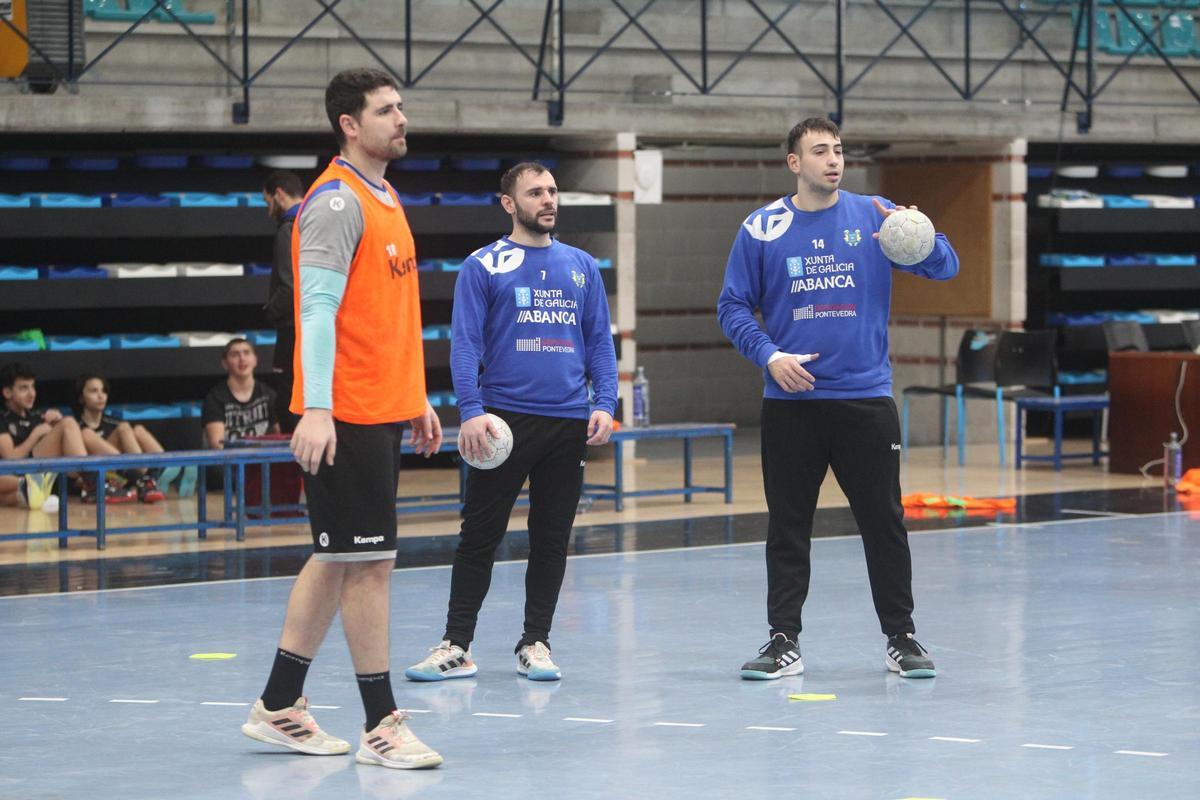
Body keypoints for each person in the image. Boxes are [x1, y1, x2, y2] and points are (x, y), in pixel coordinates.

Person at [239, 67, 444, 770]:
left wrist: (415, 396)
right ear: (349, 125)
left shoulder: (384, 195)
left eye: (401, 106)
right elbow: (318, 310)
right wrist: (320, 407)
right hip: (346, 411)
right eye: (386, 110)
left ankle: (278, 705)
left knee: (337, 557)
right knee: (369, 564)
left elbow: (386, 316)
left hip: (379, 407)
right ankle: (381, 725)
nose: (401, 118)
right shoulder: (334, 202)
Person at [717, 118, 959, 681]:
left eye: (839, 150)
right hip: (791, 402)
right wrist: (769, 356)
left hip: (865, 399)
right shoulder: (762, 228)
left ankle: (901, 638)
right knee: (788, 525)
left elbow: (946, 267)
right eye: (820, 151)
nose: (833, 160)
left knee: (884, 522)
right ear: (794, 163)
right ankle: (783, 641)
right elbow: (732, 306)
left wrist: (920, 236)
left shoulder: (876, 214)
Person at [405, 162, 617, 684]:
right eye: (535, 192)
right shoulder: (483, 265)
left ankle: (535, 642)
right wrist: (471, 411)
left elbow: (599, 342)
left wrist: (605, 402)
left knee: (551, 538)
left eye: (553, 191)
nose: (548, 200)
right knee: (479, 536)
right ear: (509, 203)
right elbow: (465, 344)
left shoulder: (582, 266)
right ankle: (456, 645)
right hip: (502, 423)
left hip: (567, 421)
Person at [0, 361, 88, 507]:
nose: (31, 394)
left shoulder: (37, 416)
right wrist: (36, 434)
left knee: (70, 424)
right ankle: (30, 490)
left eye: (32, 387)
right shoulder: (2, 418)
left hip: (42, 473)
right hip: (14, 473)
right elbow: (10, 459)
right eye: (24, 388)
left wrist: (56, 423)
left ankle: (90, 481)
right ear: (7, 392)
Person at [73, 374, 166, 503]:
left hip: (120, 475)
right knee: (88, 433)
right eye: (94, 391)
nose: (101, 396)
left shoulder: (114, 424)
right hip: (92, 477)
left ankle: (147, 480)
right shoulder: (74, 426)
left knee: (133, 429)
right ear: (81, 397)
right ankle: (143, 481)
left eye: (104, 391)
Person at [263, 169, 306, 434]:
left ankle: (298, 460)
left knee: (288, 400)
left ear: (279, 194)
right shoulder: (316, 220)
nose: (269, 210)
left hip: (292, 328)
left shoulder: (289, 228)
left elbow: (290, 286)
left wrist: (270, 312)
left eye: (267, 202)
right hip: (317, 325)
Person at [202, 338, 279, 449]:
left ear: (255, 360)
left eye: (246, 353)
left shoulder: (269, 395)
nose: (242, 358)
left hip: (262, 458)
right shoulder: (214, 398)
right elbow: (217, 444)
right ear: (225, 363)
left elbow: (280, 437)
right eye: (235, 354)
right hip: (227, 459)